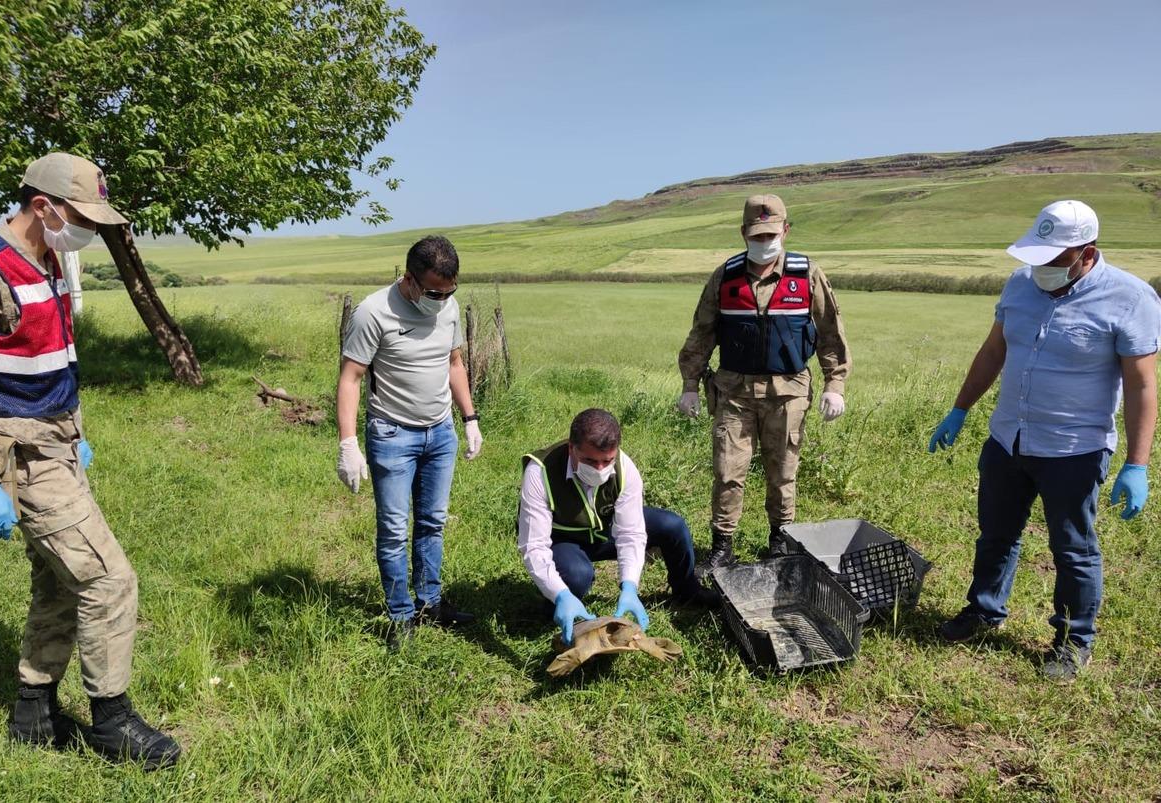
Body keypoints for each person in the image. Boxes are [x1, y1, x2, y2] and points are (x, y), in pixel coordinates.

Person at [0, 153, 180, 769]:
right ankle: (111, 721)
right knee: (109, 580)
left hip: (58, 444)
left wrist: (75, 430)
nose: (86, 227)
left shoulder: (49, 257)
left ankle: (32, 716)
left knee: (60, 582)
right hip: (24, 456)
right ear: (42, 207)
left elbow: (53, 357)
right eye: (79, 215)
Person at [929, 199, 1160, 681]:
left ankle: (1074, 638)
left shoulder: (1131, 299)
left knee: (1073, 547)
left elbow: (1141, 385)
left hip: (1074, 449)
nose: (1040, 269)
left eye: (1053, 259)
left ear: (1086, 253)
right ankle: (984, 611)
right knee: (996, 534)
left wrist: (1137, 465)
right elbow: (993, 350)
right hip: (1007, 439)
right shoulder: (1020, 284)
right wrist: (960, 409)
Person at [677, 194, 852, 575]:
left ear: (785, 231)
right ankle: (722, 547)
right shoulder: (726, 276)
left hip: (787, 391)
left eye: (771, 234)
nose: (764, 242)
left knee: (783, 470)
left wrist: (834, 384)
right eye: (756, 236)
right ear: (743, 234)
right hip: (734, 393)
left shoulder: (807, 275)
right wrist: (690, 383)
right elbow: (702, 332)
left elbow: (830, 333)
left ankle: (780, 541)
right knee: (727, 471)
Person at [336, 235, 483, 651]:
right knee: (394, 528)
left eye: (449, 291)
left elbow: (454, 363)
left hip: (440, 432)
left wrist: (469, 418)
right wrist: (348, 443)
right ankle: (400, 614)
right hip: (392, 434)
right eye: (434, 292)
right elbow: (350, 378)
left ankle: (431, 602)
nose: (441, 300)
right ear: (410, 279)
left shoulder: (448, 306)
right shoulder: (373, 313)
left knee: (433, 522)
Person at [518, 408, 719, 645]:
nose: (600, 469)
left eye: (607, 461)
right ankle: (557, 604)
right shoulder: (540, 472)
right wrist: (560, 594)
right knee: (577, 575)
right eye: (590, 461)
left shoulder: (625, 468)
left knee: (671, 525)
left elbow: (631, 532)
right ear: (571, 448)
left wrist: (630, 585)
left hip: (605, 531)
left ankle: (687, 592)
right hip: (564, 541)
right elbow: (534, 546)